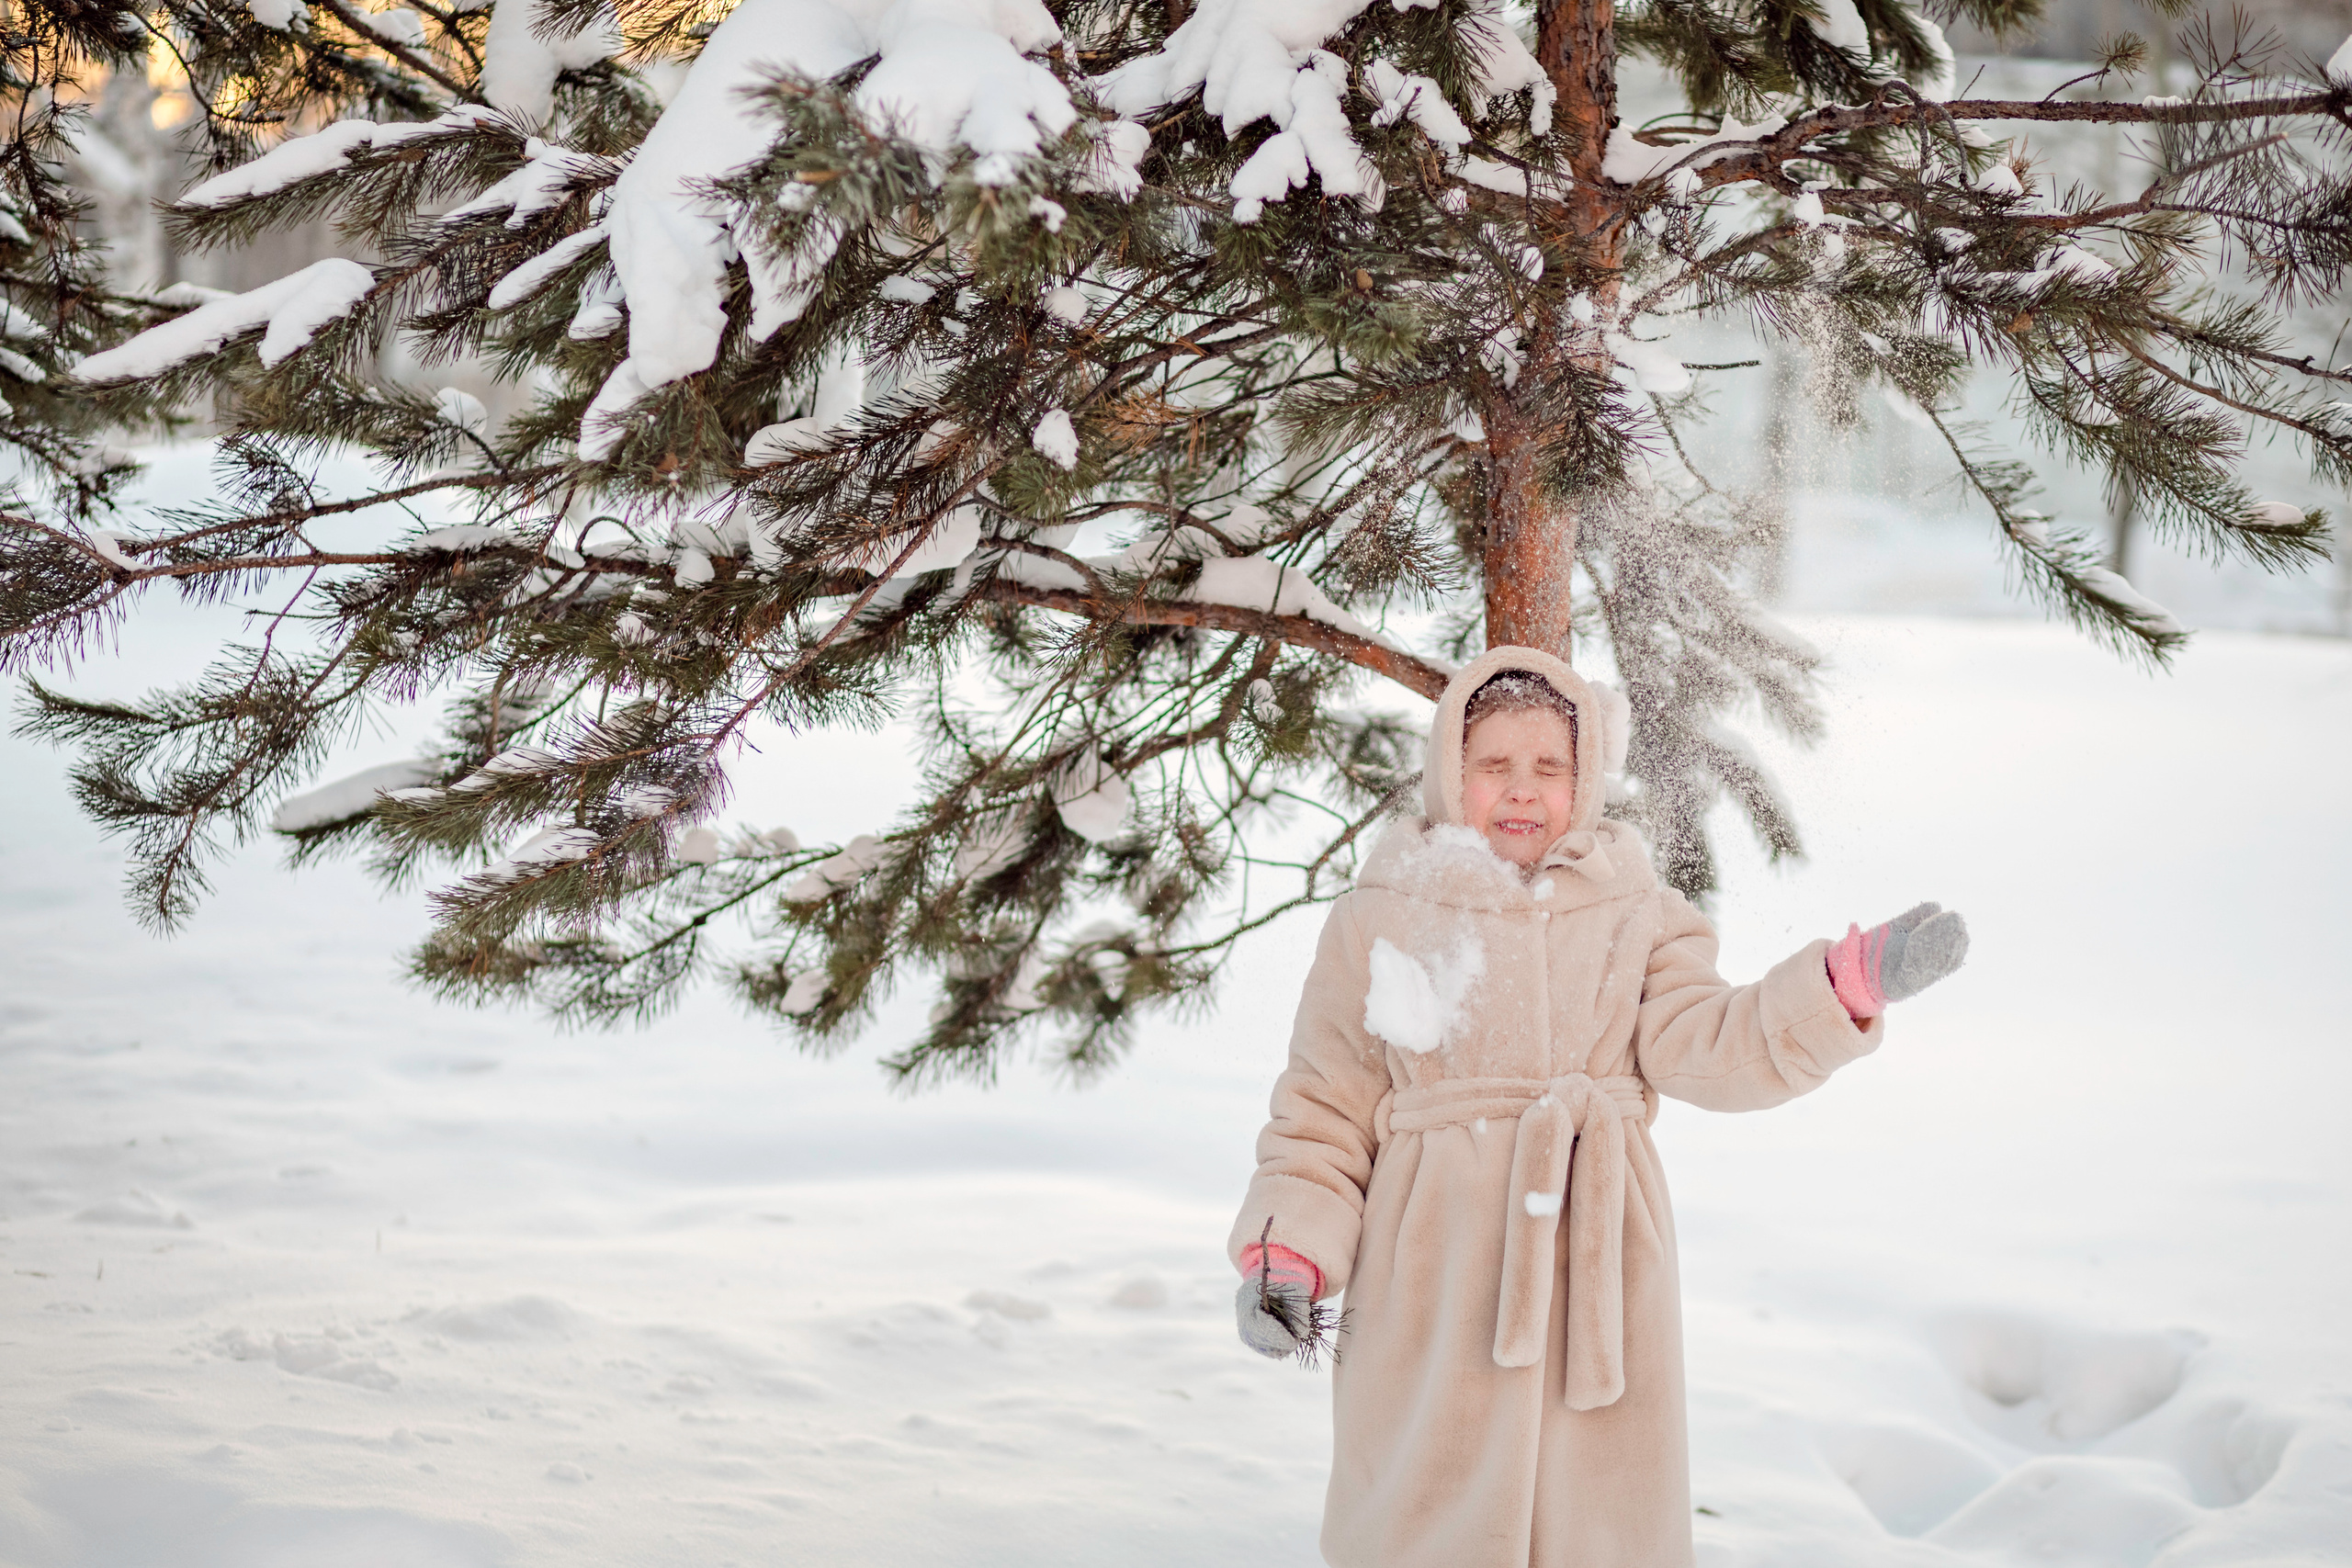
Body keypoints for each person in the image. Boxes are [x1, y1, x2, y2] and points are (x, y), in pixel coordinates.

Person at [1228, 645, 1967, 1568]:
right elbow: (1325, 1103)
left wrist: (1841, 986)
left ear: (1586, 782)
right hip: (1437, 1265)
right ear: (1447, 773)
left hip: (1598, 1267)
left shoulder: (1637, 909)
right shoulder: (1386, 911)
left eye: (1550, 768)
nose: (1522, 791)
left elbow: (1711, 1042)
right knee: (1428, 1507)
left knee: (1600, 1519)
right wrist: (1286, 1250)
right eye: (1493, 766)